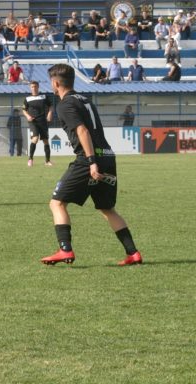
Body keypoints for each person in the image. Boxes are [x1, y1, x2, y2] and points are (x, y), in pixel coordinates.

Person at [41, 63, 142, 266]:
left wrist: (91, 162)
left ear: (55, 83)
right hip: (107, 155)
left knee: (57, 203)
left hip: (89, 160)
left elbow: (82, 131)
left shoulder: (65, 104)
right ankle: (133, 253)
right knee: (107, 208)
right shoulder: (85, 99)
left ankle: (65, 250)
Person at [23, 80, 53, 167]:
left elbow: (51, 106)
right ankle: (30, 159)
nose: (34, 88)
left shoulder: (43, 97)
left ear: (38, 87)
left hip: (43, 121)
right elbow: (24, 110)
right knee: (35, 138)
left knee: (45, 141)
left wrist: (49, 113)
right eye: (32, 87)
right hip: (33, 122)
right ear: (30, 88)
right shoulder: (27, 99)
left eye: (35, 86)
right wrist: (28, 116)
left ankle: (47, 161)